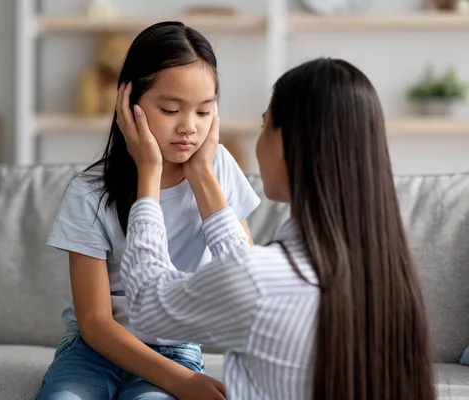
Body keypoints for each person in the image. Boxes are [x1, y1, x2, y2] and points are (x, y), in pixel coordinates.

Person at [119, 58, 436, 399]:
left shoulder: (259, 279)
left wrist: (148, 175)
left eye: (264, 127)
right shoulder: (390, 274)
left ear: (288, 145)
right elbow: (244, 277)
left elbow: (147, 305)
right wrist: (202, 174)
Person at [37, 21, 261, 400]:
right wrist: (149, 173)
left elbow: (246, 278)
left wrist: (203, 175)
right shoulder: (89, 192)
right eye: (171, 109)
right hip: (94, 350)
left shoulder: (219, 169)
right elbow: (93, 321)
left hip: (175, 347)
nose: (189, 127)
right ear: (129, 103)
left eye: (204, 112)